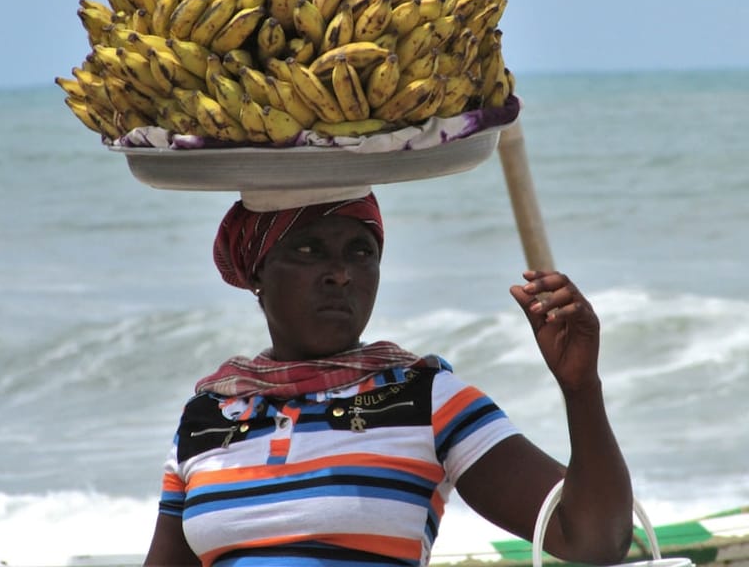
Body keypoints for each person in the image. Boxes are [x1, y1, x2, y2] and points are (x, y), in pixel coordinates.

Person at [144, 188, 633, 567]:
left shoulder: (424, 397)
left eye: (361, 251)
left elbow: (595, 539)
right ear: (258, 273)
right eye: (309, 249)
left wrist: (581, 388)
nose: (340, 273)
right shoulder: (209, 417)